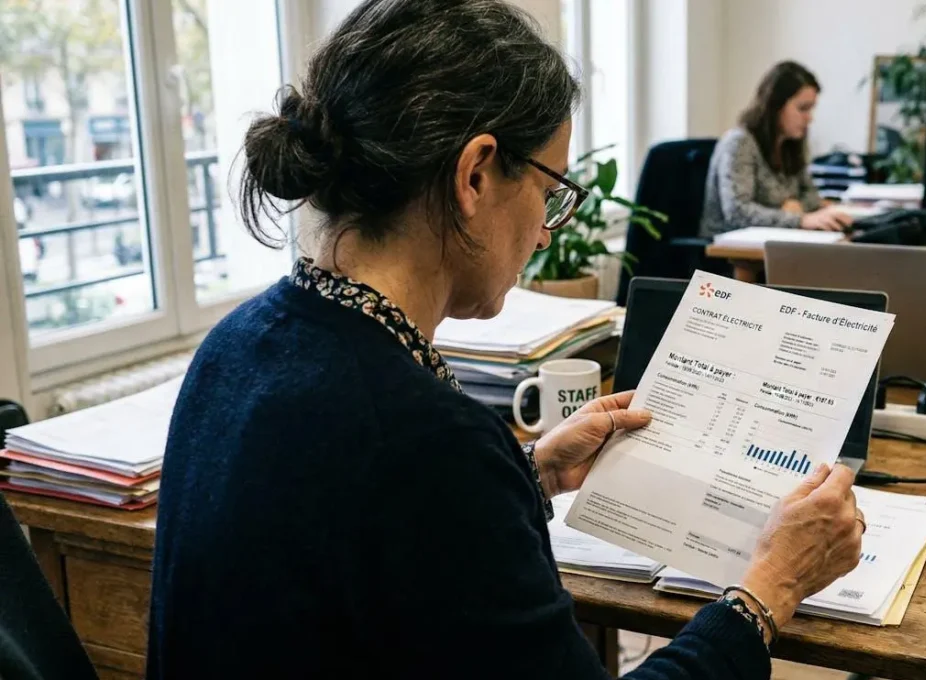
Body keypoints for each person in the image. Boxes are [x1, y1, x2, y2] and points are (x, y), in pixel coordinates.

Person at [147, 1, 866, 678]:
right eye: (551, 189)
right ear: (476, 173)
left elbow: (370, 537)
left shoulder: (235, 346)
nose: (548, 228)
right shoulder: (426, 441)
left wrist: (532, 472)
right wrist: (770, 585)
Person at [700, 61, 855, 237]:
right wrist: (797, 218)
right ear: (775, 105)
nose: (809, 118)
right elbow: (737, 212)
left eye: (811, 109)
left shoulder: (790, 144)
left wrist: (797, 207)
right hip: (724, 253)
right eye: (802, 108)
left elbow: (811, 195)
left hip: (774, 240)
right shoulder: (739, 143)